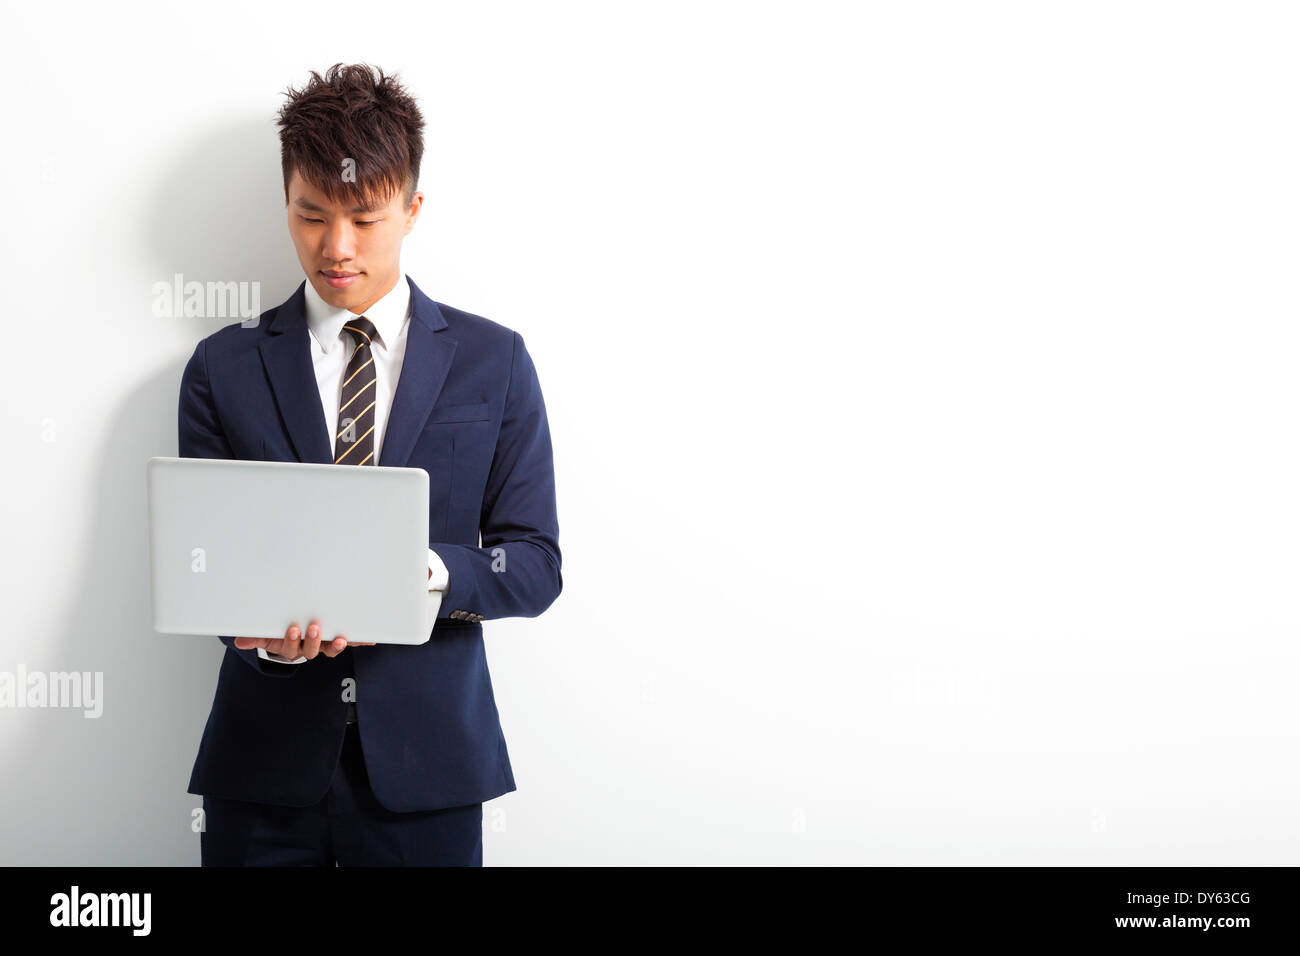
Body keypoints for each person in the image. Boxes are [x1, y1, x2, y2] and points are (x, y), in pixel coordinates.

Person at [178, 62, 562, 866]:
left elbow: (533, 566)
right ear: (285, 204)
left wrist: (417, 573)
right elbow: (198, 568)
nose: (336, 248)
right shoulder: (223, 367)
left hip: (430, 777)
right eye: (311, 215)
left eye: (364, 217)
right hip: (262, 776)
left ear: (413, 209)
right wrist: (265, 636)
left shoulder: (495, 362)